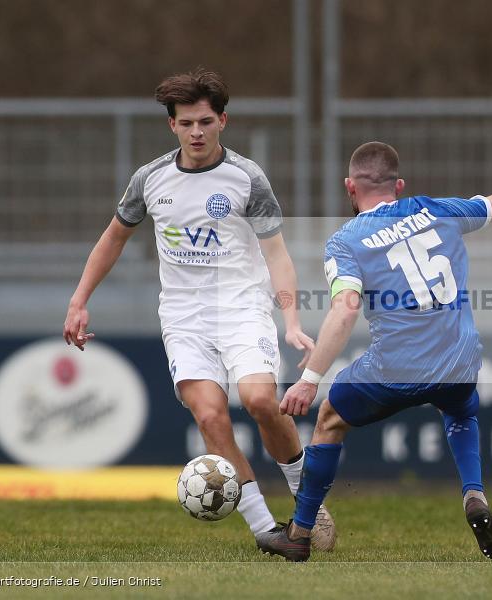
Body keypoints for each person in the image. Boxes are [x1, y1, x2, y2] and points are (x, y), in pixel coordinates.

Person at [62, 68, 336, 547]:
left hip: (242, 308)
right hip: (184, 318)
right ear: (172, 124)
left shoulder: (247, 178)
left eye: (205, 122)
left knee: (260, 401)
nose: (196, 132)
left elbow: (277, 255)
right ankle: (266, 530)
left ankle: (307, 503)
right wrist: (79, 300)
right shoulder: (150, 179)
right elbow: (113, 238)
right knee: (210, 416)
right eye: (186, 123)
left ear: (222, 121)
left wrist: (291, 320)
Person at [255, 136, 492, 562]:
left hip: (397, 368)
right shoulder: (437, 209)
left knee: (330, 419)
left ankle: (298, 533)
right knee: (461, 410)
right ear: (399, 185)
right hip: (461, 360)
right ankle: (474, 494)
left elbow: (346, 308)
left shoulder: (346, 241)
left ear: (350, 187)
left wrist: (310, 379)